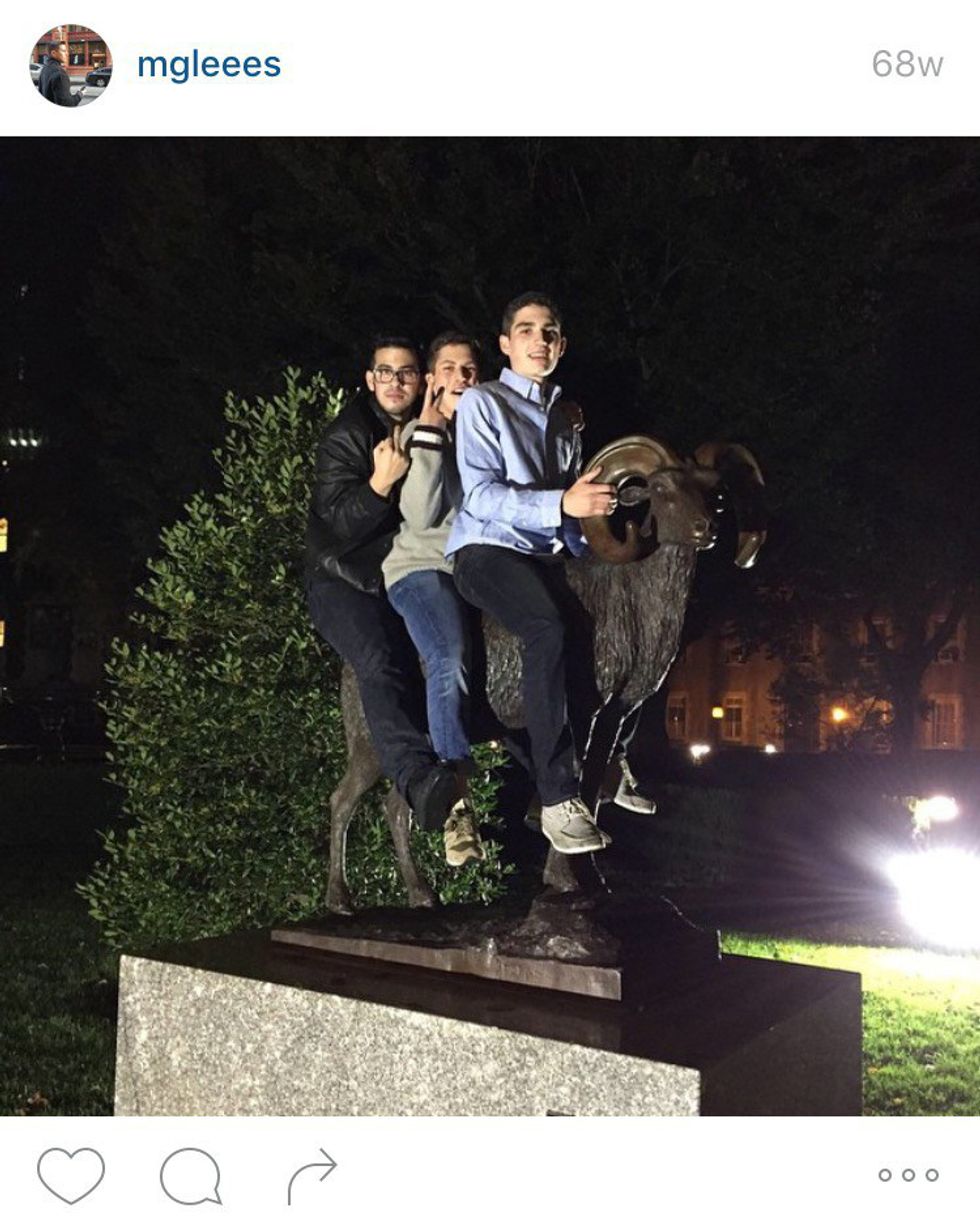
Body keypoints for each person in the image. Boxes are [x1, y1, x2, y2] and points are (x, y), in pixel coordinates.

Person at [446, 293, 618, 855]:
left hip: (546, 553)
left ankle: (613, 761)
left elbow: (570, 509)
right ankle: (558, 797)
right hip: (487, 549)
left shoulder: (565, 418)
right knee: (547, 627)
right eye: (526, 330)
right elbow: (480, 495)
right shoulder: (482, 403)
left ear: (561, 345)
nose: (538, 340)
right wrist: (563, 504)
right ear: (505, 344)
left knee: (613, 621)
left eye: (549, 332)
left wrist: (594, 549)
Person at [305, 336, 462, 832]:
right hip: (342, 578)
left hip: (396, 572)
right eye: (385, 372)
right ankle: (416, 779)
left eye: (406, 372)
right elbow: (336, 526)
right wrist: (379, 485)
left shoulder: (429, 424)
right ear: (370, 379)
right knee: (380, 659)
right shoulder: (347, 435)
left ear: (422, 380)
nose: (396, 382)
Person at [382, 332, 485, 867]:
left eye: (469, 369)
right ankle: (454, 804)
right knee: (447, 656)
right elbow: (421, 515)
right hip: (420, 570)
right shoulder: (412, 435)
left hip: (472, 572)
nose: (460, 378)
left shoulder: (485, 435)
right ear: (430, 380)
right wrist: (431, 431)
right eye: (449, 368)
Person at [38, 41, 81, 108]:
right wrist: (79, 95)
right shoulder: (60, 74)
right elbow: (67, 104)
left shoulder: (44, 68)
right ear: (53, 53)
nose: (67, 54)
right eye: (63, 51)